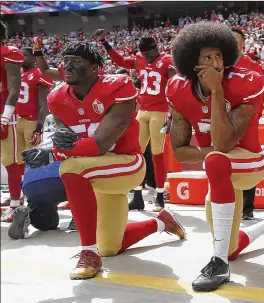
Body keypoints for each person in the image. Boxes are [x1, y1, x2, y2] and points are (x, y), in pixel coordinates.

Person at [21, 42, 185, 280]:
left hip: (127, 163)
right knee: (110, 246)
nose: (68, 64)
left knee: (70, 167)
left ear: (95, 68)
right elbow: (65, 141)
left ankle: (88, 253)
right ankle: (161, 222)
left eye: (76, 61)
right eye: (66, 59)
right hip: (97, 171)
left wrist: (54, 153)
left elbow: (101, 144)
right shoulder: (57, 98)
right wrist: (58, 149)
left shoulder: (118, 86)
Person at [167, 21, 264, 292]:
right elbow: (180, 152)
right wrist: (211, 152)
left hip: (250, 161)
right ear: (191, 63)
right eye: (207, 58)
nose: (216, 63)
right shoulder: (177, 88)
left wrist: (218, 91)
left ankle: (218, 263)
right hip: (219, 166)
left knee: (217, 160)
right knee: (231, 247)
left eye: (219, 55)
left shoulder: (246, 81)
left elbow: (223, 141)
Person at [94, 30, 177, 212]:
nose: (146, 57)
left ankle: (160, 196)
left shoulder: (167, 61)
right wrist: (105, 43)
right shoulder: (140, 59)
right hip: (143, 111)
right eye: (144, 54)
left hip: (159, 112)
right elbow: (121, 62)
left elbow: (174, 89)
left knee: (157, 154)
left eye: (149, 54)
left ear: (156, 49)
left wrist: (172, 115)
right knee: (136, 154)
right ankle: (137, 195)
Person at [1, 47, 54, 222]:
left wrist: (39, 127)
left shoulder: (38, 74)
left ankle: (39, 201)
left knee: (33, 162)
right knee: (19, 161)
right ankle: (21, 196)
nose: (22, 57)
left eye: (26, 54)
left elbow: (43, 103)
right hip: (17, 120)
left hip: (31, 122)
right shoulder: (18, 73)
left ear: (33, 57)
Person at [231, 27, 264, 220]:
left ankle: (247, 208)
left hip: (248, 121)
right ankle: (229, 204)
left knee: (249, 159)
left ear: (243, 44)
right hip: (225, 122)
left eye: (237, 39)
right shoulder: (219, 64)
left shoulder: (251, 65)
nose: (233, 43)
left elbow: (262, 92)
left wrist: (255, 115)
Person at [0, 21, 24, 217]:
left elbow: (14, 89)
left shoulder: (9, 52)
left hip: (4, 113)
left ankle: (16, 203)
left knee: (11, 160)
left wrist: (5, 117)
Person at [8, 161, 67, 239]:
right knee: (83, 183)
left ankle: (27, 214)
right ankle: (81, 221)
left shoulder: (35, 150)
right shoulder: (70, 148)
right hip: (58, 179)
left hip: (31, 186)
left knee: (48, 225)